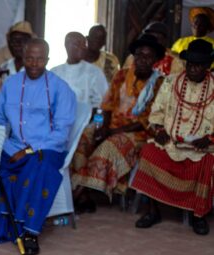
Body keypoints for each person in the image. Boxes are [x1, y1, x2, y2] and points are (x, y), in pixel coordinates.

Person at [0, 39, 76, 255]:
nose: (34, 64)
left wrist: (29, 150)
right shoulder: (11, 84)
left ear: (47, 59)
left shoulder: (60, 88)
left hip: (48, 148)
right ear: (22, 59)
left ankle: (29, 231)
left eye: (39, 59)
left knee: (40, 167)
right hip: (14, 146)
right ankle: (2, 224)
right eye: (29, 58)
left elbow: (61, 133)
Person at [71, 34, 165, 212]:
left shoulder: (159, 84)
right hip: (110, 128)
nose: (142, 60)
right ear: (133, 56)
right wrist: (101, 127)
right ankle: (84, 196)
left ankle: (75, 198)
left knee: (108, 147)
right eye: (139, 55)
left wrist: (111, 133)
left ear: (155, 60)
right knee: (82, 138)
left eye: (148, 56)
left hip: (138, 133)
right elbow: (106, 106)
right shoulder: (121, 75)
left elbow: (146, 121)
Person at [132, 39, 214, 236]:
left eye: (198, 65)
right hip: (170, 142)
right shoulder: (171, 81)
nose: (193, 69)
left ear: (208, 67)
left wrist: (210, 139)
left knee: (207, 162)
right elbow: (157, 112)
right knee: (149, 152)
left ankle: (198, 216)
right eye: (190, 64)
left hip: (201, 147)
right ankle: (153, 211)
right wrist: (159, 130)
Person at [52, 32, 109, 108]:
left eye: (84, 44)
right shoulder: (55, 72)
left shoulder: (94, 73)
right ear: (67, 46)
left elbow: (103, 101)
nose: (83, 47)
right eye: (78, 44)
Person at [0, 22, 35, 91]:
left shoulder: (36, 69)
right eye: (14, 41)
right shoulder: (3, 68)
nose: (17, 45)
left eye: (22, 40)